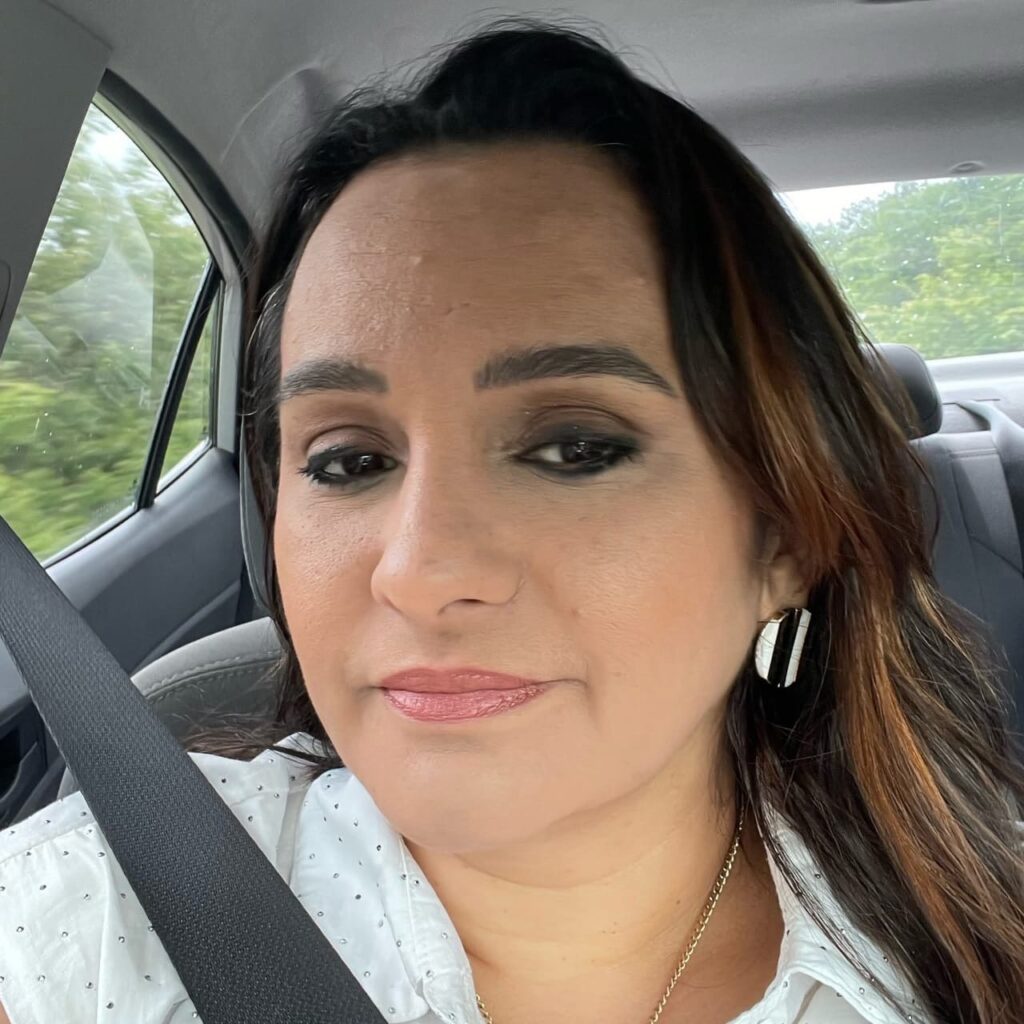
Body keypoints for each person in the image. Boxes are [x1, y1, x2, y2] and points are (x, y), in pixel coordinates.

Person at [1, 18, 1022, 1024]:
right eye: (349, 460)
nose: (418, 571)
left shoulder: (980, 936)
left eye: (574, 447)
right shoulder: (84, 924)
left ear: (786, 539)